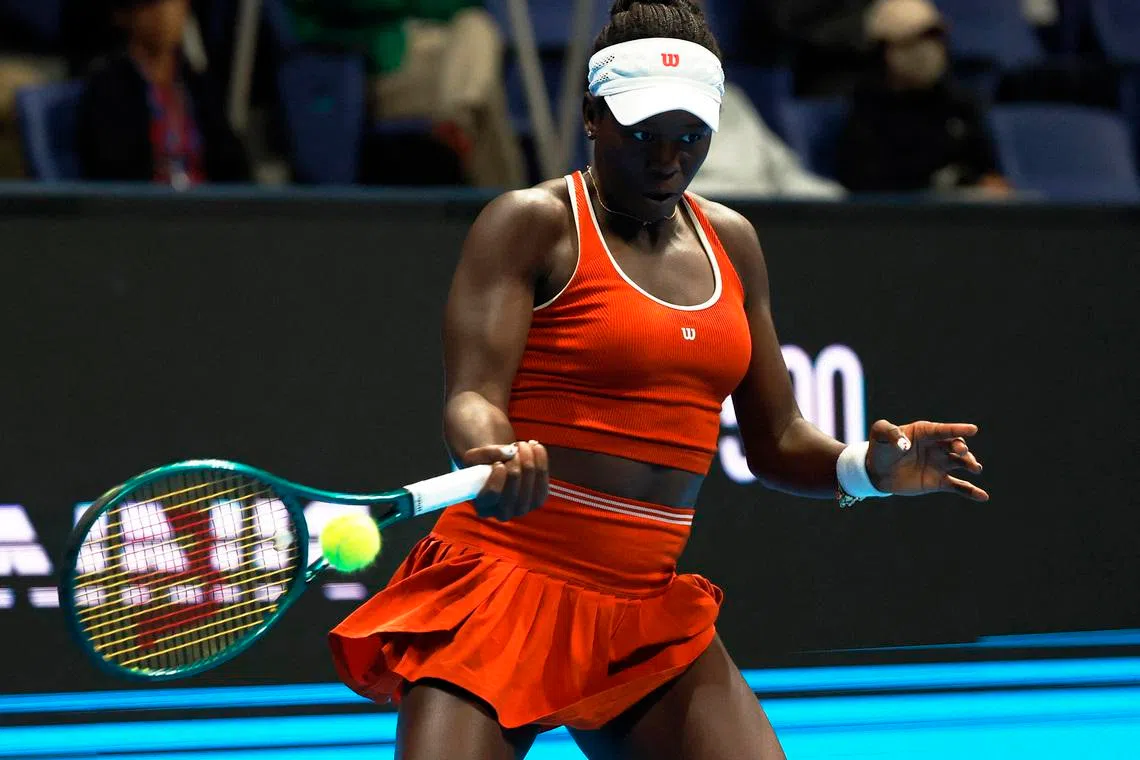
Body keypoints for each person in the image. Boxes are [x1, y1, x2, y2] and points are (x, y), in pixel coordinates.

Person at [328, 1, 988, 757]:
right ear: (591, 116)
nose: (667, 159)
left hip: (642, 611)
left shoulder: (732, 243)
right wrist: (491, 454)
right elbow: (474, 396)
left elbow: (776, 440)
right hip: (503, 583)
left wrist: (869, 469)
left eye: (690, 136)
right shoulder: (531, 223)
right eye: (643, 134)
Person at [288, 0, 524, 189]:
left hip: (434, 51)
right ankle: (517, 221)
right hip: (368, 66)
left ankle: (458, 120)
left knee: (475, 25)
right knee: (483, 95)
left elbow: (462, 4)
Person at [836, 0, 1010, 195]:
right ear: (883, 51)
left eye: (934, 38)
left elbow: (990, 173)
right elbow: (868, 187)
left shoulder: (959, 106)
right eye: (912, 42)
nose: (926, 51)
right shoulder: (868, 114)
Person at [77, 0, 249, 186]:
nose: (166, 13)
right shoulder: (107, 88)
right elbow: (112, 171)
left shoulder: (198, 85)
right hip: (146, 208)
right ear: (124, 16)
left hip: (207, 206)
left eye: (175, 3)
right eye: (154, 4)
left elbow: (233, 163)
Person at [690, 81, 846, 199]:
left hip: (766, 215)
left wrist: (833, 198)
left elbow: (784, 170)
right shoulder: (669, 114)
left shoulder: (730, 98)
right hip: (708, 216)